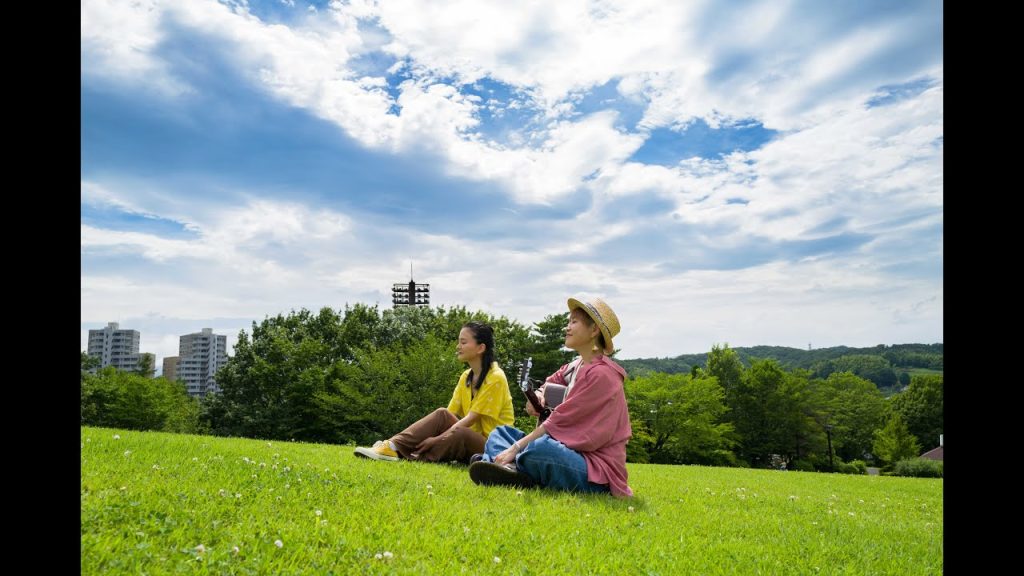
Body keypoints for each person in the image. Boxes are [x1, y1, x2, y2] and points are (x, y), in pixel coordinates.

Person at [468, 295, 633, 497]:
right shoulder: (575, 365)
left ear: (594, 330)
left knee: (539, 448)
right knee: (500, 433)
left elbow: (561, 419)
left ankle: (502, 463)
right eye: (568, 322)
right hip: (568, 453)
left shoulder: (602, 375)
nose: (567, 327)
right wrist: (538, 395)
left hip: (594, 468)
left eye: (574, 322)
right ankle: (512, 470)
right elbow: (549, 383)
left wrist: (516, 448)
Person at [354, 321, 515, 464]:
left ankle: (408, 455)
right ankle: (392, 445)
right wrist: (435, 434)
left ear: (481, 348)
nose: (458, 347)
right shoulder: (466, 377)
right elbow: (448, 415)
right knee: (441, 414)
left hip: (493, 447)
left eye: (463, 342)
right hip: (472, 437)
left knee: (461, 433)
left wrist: (436, 440)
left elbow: (471, 419)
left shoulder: (496, 377)